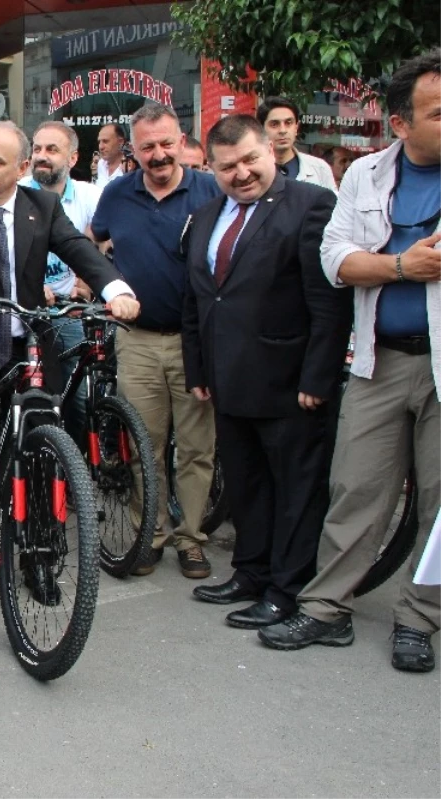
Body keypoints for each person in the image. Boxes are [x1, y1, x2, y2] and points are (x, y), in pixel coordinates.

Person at [260, 50, 441, 673]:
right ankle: (327, 605)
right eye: (437, 112)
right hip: (377, 361)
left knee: (440, 503)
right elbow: (335, 260)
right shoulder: (365, 175)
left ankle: (419, 616)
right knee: (357, 487)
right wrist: (400, 267)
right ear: (400, 123)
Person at [0, 121, 139, 512]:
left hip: (24, 329)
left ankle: (41, 498)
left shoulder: (43, 207)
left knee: (48, 401)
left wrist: (116, 290)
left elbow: (78, 249)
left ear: (21, 170)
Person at [183, 115, 352, 629]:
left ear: (272, 152)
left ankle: (288, 589)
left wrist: (317, 379)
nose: (242, 173)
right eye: (228, 166)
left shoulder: (311, 205)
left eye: (251, 159)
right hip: (229, 380)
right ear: (212, 168)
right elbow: (198, 298)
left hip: (290, 384)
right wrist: (199, 367)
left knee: (295, 493)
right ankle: (251, 572)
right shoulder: (208, 214)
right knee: (247, 486)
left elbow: (328, 304)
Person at [91, 104, 222, 579]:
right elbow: (92, 241)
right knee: (144, 443)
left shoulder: (211, 190)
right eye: (148, 146)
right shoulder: (117, 194)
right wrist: (101, 283)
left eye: (167, 143)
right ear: (134, 149)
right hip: (138, 340)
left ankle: (191, 539)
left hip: (196, 342)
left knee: (195, 447)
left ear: (182, 140)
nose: (159, 154)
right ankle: (150, 534)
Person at [26, 121, 104, 435]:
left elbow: (103, 242)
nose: (42, 156)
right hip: (22, 305)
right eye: (37, 149)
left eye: (52, 150)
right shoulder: (15, 193)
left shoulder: (90, 196)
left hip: (68, 309)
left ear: (72, 159)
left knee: (78, 392)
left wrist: (84, 283)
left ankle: (76, 468)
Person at [257, 97, 336, 190]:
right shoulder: (254, 170)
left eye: (288, 123)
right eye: (274, 124)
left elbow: (333, 203)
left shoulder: (320, 168)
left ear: (296, 127)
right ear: (261, 129)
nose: (283, 130)